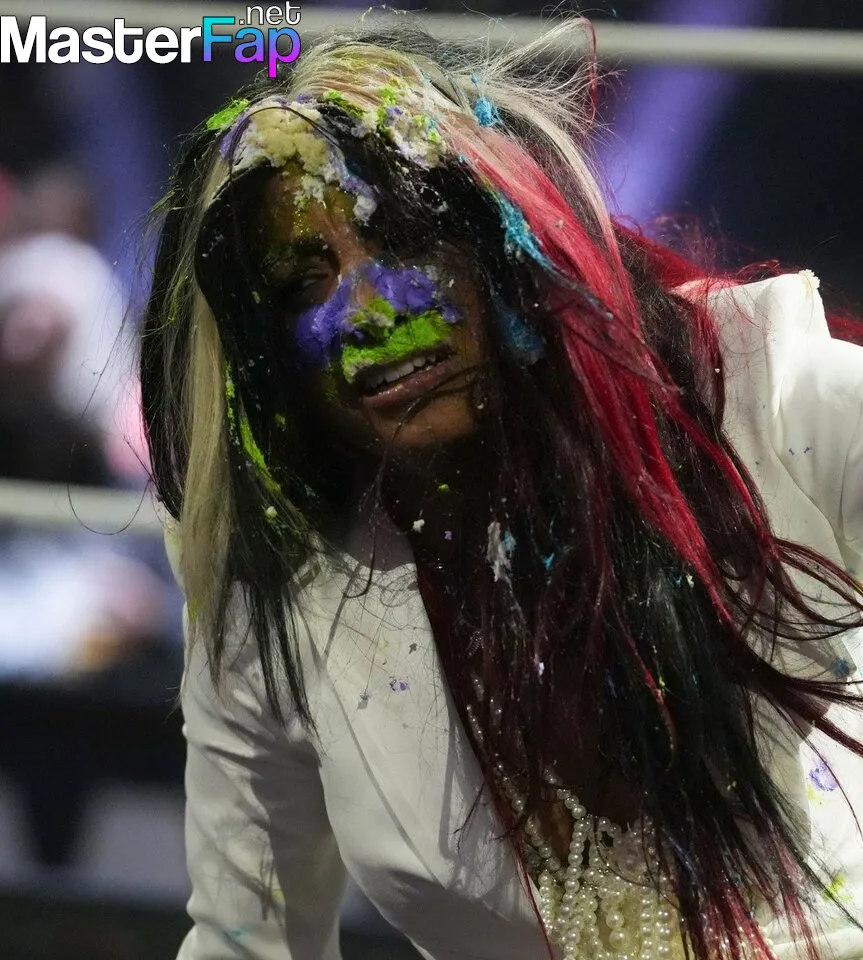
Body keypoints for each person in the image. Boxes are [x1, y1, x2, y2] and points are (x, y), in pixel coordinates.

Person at [139, 22, 863, 960]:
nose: (372, 314)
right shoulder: (279, 569)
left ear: (506, 247)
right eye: (300, 283)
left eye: (405, 239)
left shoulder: (758, 399)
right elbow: (246, 936)